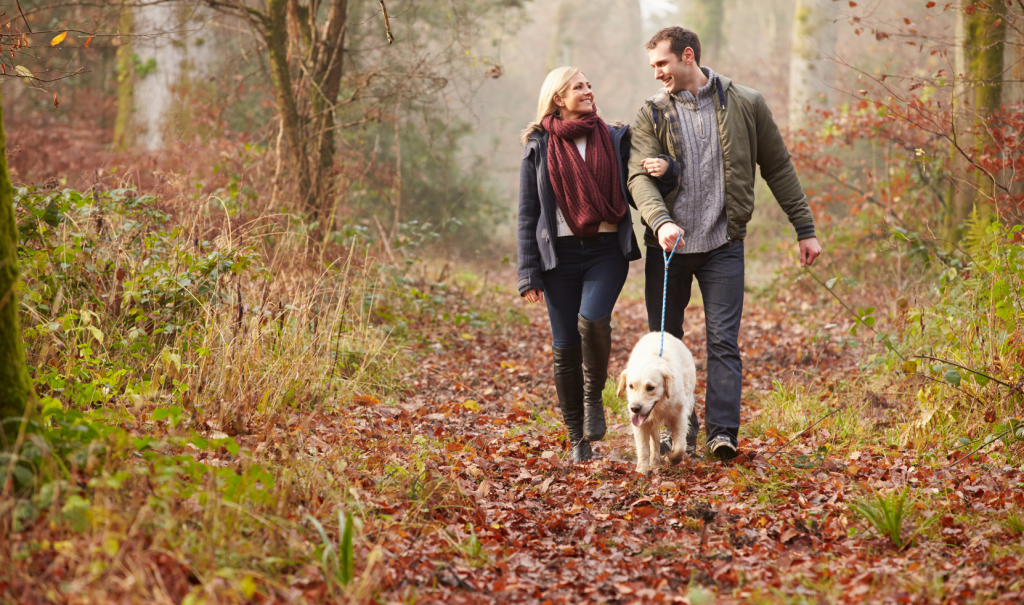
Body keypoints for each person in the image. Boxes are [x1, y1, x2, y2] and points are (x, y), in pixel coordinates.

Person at [627, 27, 823, 461]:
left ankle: (721, 434)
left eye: (663, 63)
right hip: (668, 249)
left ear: (688, 56)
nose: (657, 73)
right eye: (653, 66)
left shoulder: (746, 103)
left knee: (723, 343)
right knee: (664, 345)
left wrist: (804, 228)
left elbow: (779, 167)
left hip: (723, 245)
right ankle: (672, 434)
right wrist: (659, 222)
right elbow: (638, 178)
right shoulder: (651, 114)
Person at [517, 67, 677, 463]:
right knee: (565, 347)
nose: (588, 91)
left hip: (606, 250)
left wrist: (666, 171)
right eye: (578, 87)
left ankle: (594, 395)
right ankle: (577, 439)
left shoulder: (614, 137)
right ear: (558, 97)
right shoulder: (538, 144)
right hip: (559, 257)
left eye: (588, 85)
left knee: (591, 319)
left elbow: (643, 185)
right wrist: (528, 272)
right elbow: (527, 212)